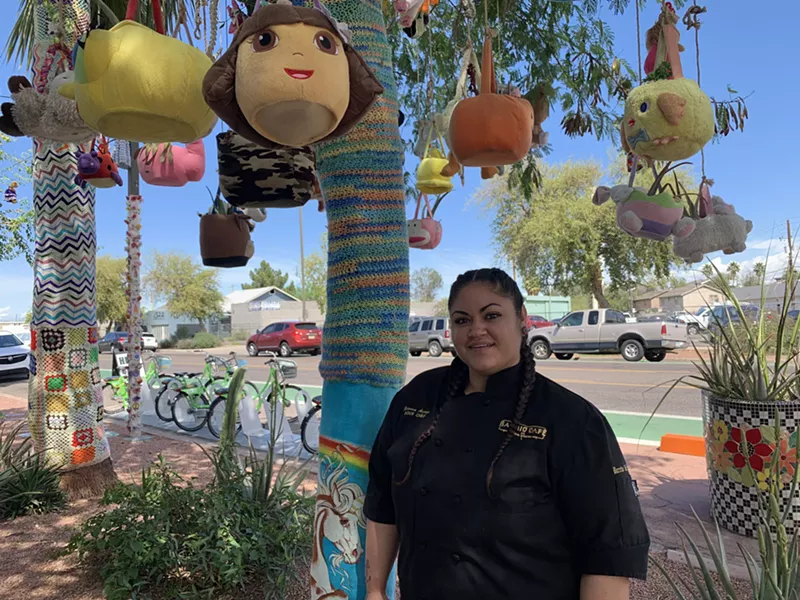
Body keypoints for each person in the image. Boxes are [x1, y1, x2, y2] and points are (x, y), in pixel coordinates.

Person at [364, 268, 650, 600]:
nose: (476, 330)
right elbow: (382, 502)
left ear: (522, 318)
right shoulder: (417, 397)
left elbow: (607, 555)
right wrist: (375, 590)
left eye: (491, 315)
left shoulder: (572, 420)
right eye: (462, 320)